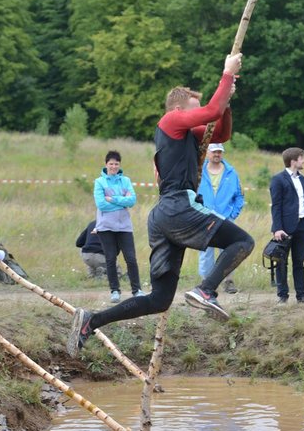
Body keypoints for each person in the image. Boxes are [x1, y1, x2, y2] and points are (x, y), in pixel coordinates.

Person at [68, 53, 255, 352]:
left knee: (159, 300)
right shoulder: (170, 120)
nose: (198, 115)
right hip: (178, 206)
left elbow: (221, 130)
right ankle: (206, 290)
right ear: (180, 109)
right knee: (243, 241)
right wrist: (227, 74)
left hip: (164, 216)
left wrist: (228, 100)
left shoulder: (185, 135)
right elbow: (211, 111)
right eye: (194, 110)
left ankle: (91, 321)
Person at [93, 150, 145, 303]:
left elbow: (132, 201)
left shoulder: (126, 181)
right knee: (110, 259)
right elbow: (101, 204)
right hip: (106, 226)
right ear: (106, 164)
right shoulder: (99, 182)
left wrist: (113, 199)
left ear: (119, 165)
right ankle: (115, 290)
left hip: (124, 226)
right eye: (111, 163)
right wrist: (121, 201)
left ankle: (137, 290)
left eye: (116, 164)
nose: (114, 166)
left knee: (131, 258)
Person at [197, 142, 245, 295]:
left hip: (225, 218)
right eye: (214, 152)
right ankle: (206, 282)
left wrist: (233, 214)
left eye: (219, 152)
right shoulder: (199, 170)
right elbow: (191, 193)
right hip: (205, 218)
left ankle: (228, 281)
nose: (217, 154)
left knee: (227, 251)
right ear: (208, 153)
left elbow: (239, 196)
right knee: (205, 252)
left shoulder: (231, 172)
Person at [270, 147, 304, 304]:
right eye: (301, 158)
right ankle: (283, 295)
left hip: (303, 225)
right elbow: (276, 206)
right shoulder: (278, 180)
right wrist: (277, 228)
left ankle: (301, 295)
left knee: (299, 262)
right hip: (284, 228)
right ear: (293, 161)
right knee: (281, 262)